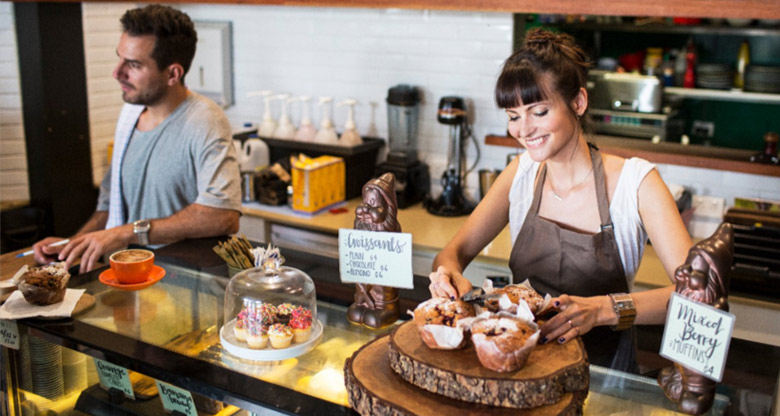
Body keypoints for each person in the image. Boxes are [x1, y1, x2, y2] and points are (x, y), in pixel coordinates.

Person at [428, 29, 692, 373]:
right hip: (523, 367)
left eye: (538, 111)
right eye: (512, 116)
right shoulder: (520, 174)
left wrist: (601, 310)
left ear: (578, 103)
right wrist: (447, 276)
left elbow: (695, 298)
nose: (523, 130)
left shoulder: (636, 183)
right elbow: (451, 254)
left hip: (603, 375)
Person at [32, 4, 241, 273]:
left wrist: (127, 233)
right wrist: (72, 245)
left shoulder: (205, 120)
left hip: (183, 285)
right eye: (120, 58)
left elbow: (223, 217)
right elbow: (111, 208)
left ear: (173, 74)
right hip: (126, 281)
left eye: (133, 64)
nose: (117, 73)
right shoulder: (130, 114)